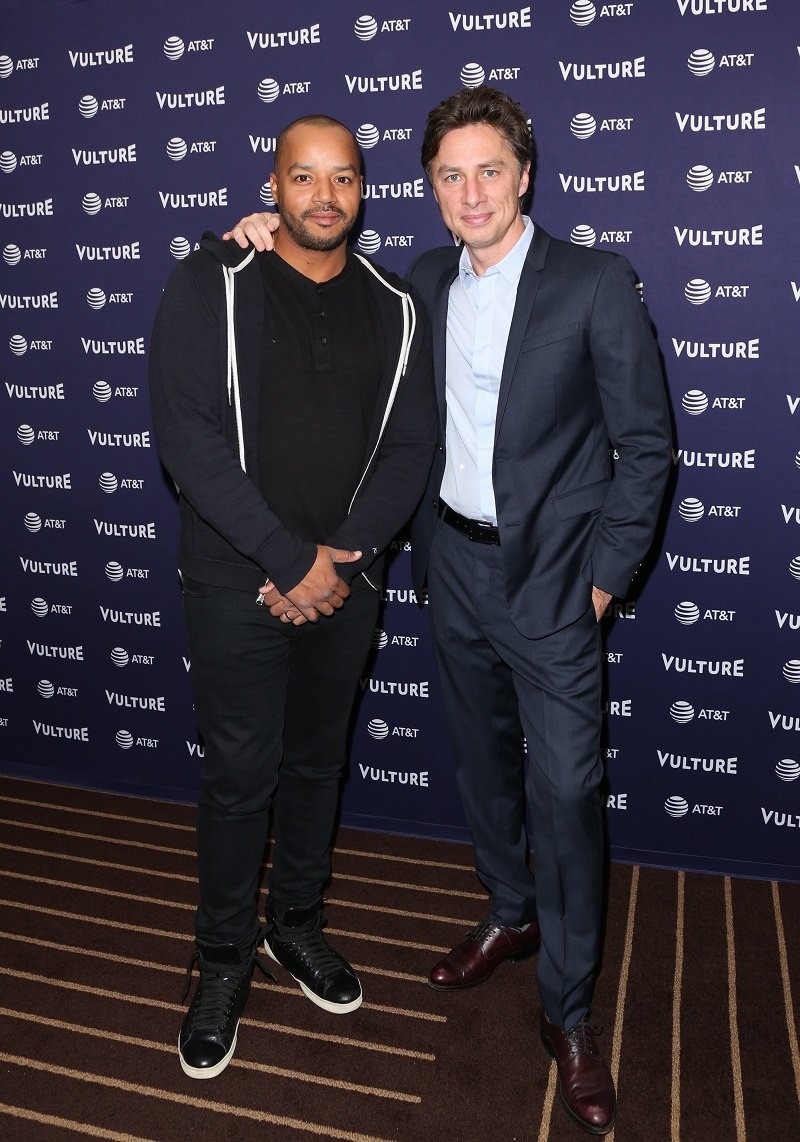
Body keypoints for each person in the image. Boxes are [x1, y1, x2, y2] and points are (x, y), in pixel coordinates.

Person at [226, 86, 672, 1135]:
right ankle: (508, 914)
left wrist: (604, 578)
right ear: (427, 190)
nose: (468, 192)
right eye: (447, 175)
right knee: (479, 764)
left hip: (558, 582)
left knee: (563, 790)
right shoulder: (416, 281)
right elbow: (310, 280)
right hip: (451, 571)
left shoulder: (596, 284)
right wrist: (243, 233)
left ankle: (565, 1007)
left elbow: (645, 445)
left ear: (524, 174)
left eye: (486, 170)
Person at [149, 114, 436, 1081]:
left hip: (346, 581)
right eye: (303, 178)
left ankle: (295, 924)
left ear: (364, 190)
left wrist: (339, 561)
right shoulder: (207, 282)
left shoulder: (398, 304)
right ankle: (223, 957)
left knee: (318, 764)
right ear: (272, 186)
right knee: (240, 776)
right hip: (238, 580)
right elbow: (186, 440)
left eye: (343, 179)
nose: (324, 197)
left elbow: (410, 447)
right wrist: (284, 558)